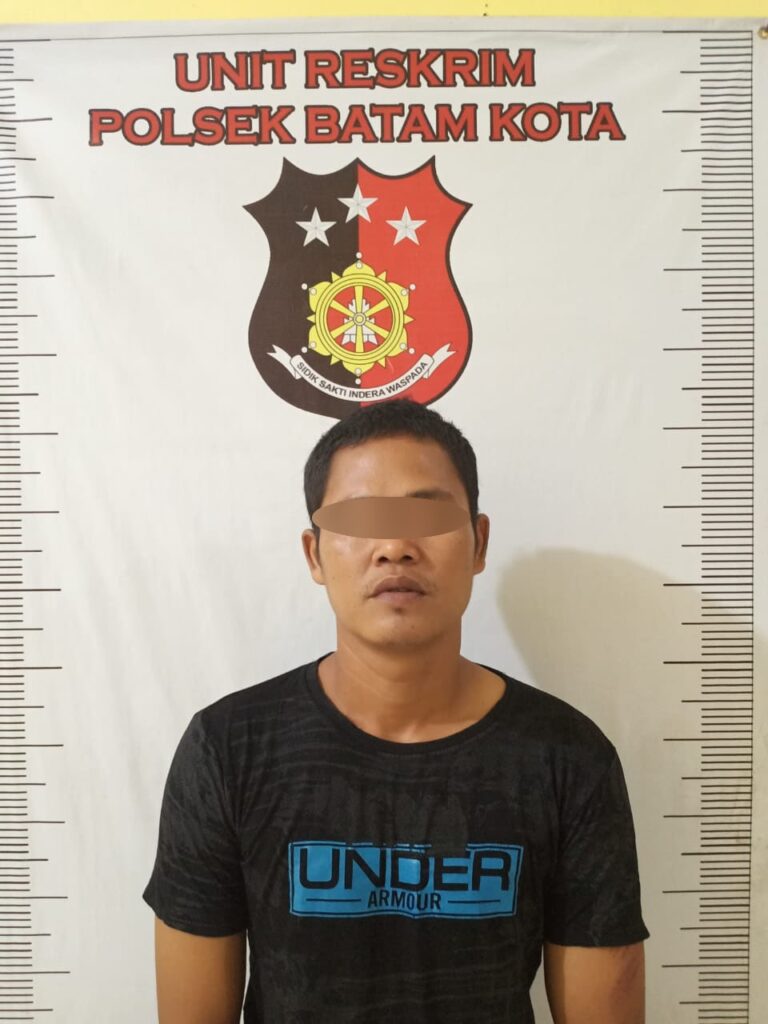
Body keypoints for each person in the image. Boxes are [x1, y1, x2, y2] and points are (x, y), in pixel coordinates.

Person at [143, 397, 649, 1024]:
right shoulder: (229, 749)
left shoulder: (567, 757)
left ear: (479, 542)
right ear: (314, 554)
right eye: (360, 519)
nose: (394, 546)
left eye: (427, 514)